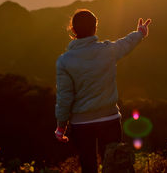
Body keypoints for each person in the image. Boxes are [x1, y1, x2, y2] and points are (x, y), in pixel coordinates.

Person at [54, 9, 151, 173]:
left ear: (73, 30)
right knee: (115, 165)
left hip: (81, 124)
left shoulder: (65, 61)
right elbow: (126, 43)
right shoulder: (108, 51)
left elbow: (65, 97)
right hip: (110, 119)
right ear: (95, 28)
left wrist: (61, 126)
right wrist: (140, 33)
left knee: (88, 167)